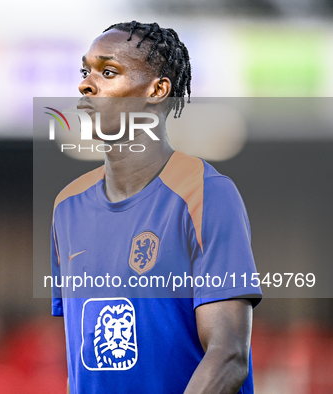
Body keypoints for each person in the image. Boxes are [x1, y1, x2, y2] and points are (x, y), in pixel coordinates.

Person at [50, 21, 262, 393]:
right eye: (85, 71)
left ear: (157, 89)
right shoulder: (67, 206)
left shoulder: (206, 193)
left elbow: (228, 356)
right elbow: (81, 363)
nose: (85, 84)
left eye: (108, 72)